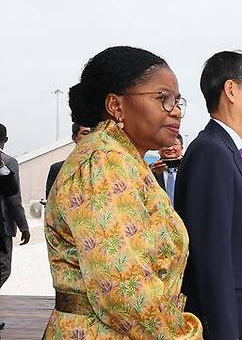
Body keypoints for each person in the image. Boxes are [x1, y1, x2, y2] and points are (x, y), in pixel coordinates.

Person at [42, 46, 202, 340]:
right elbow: (124, 289)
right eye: (162, 98)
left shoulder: (127, 159)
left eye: (178, 101)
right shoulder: (103, 161)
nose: (176, 110)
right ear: (116, 106)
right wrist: (182, 335)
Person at [175, 51, 242, 340]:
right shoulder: (211, 152)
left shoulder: (229, 150)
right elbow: (212, 260)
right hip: (235, 327)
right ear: (231, 90)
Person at [0, 123, 30, 332]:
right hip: (1, 227)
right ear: (6, 140)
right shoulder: (8, 162)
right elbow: (13, 197)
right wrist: (23, 226)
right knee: (4, 268)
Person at [45, 123, 91, 197]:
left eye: (93, 133)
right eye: (85, 133)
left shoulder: (104, 168)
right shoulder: (57, 169)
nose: (90, 137)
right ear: (74, 138)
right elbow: (51, 201)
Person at [151, 133, 184, 202]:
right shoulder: (148, 170)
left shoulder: (190, 169)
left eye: (174, 144)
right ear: (158, 149)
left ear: (182, 148)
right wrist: (151, 173)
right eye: (165, 144)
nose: (169, 148)